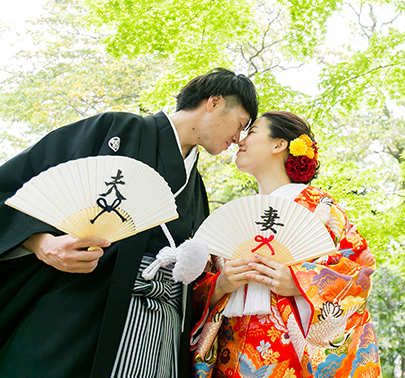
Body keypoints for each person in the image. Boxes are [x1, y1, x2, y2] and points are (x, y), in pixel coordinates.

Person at [0, 68, 259, 378]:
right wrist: (40, 243)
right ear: (214, 102)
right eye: (240, 124)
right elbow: (12, 189)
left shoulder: (197, 188)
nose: (238, 138)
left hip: (160, 334)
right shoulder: (114, 129)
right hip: (81, 308)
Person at [191, 111, 381, 378]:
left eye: (252, 132)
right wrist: (220, 285)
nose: (240, 140)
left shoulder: (320, 209)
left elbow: (359, 272)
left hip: (290, 358)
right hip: (229, 357)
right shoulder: (238, 217)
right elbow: (196, 287)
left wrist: (301, 282)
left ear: (279, 145)